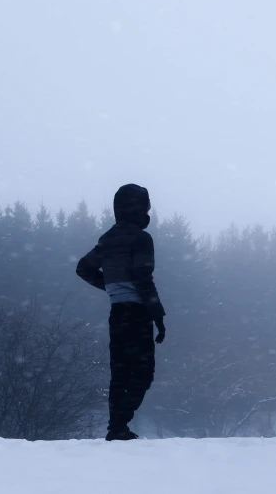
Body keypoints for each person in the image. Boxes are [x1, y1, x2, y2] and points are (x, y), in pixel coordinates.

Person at [76, 184, 166, 441]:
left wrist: (112, 288)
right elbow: (142, 277)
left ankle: (116, 427)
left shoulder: (107, 239)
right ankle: (119, 426)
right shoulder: (141, 238)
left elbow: (84, 268)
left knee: (120, 373)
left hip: (117, 313)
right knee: (143, 372)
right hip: (138, 313)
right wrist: (158, 315)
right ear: (140, 208)